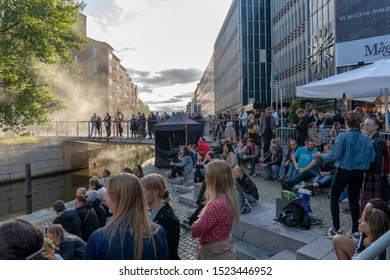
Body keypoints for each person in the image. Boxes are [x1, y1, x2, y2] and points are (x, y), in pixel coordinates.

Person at [84, 173, 169, 260]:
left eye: (108, 194)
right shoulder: (158, 232)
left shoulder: (98, 239)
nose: (105, 198)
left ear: (120, 199)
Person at [323, 111, 375, 239]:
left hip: (343, 171)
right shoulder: (367, 138)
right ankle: (355, 231)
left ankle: (336, 228)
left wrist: (321, 156)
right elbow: (372, 158)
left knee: (334, 198)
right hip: (358, 173)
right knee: (354, 201)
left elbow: (334, 155)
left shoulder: (343, 137)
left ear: (347, 123)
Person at [191, 160, 240, 260]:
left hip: (215, 253)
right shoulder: (228, 197)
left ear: (213, 179)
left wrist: (199, 218)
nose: (205, 178)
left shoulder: (216, 204)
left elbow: (196, 230)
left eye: (207, 175)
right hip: (224, 247)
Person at [141, 174, 181, 260]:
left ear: (156, 192)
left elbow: (169, 254)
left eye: (143, 192)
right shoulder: (150, 211)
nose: (140, 196)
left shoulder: (169, 220)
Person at [360, 118, 384, 218]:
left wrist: (365, 169)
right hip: (370, 173)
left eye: (368, 124)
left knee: (371, 203)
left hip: (372, 174)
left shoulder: (376, 141)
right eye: (364, 124)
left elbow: (377, 161)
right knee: (368, 202)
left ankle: (370, 224)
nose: (365, 126)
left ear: (376, 127)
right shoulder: (372, 139)